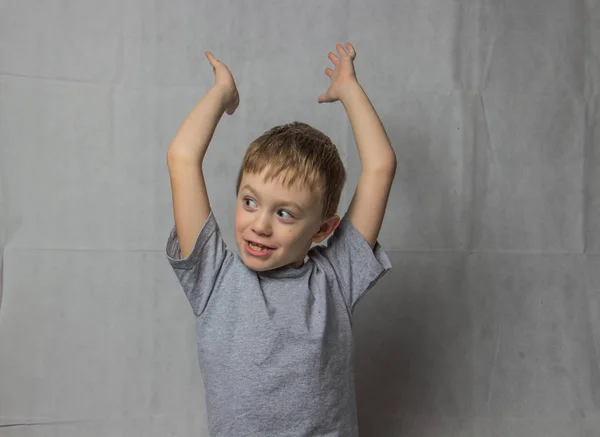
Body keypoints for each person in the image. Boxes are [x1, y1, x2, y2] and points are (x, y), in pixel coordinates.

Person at [165, 42, 396, 437]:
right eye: (250, 202)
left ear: (323, 230)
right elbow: (182, 158)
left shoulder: (336, 277)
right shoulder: (214, 278)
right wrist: (222, 93)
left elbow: (380, 166)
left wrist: (349, 88)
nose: (260, 225)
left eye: (284, 213)